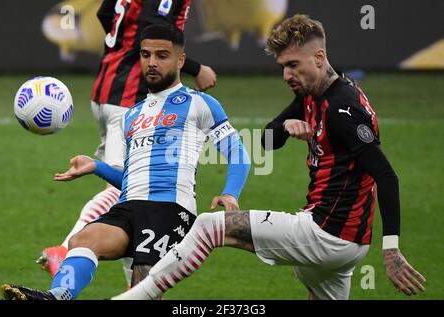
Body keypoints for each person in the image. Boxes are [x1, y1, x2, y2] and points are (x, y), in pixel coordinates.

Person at [105, 14, 426, 300]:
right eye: (283, 66)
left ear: (319, 57)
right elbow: (268, 140)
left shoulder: (342, 108)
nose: (287, 75)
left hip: (326, 233)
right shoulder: (314, 91)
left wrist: (391, 249)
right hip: (341, 241)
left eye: (293, 65)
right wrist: (286, 127)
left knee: (207, 226)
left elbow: (386, 175)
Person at [1, 23, 250, 300]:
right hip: (129, 206)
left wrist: (231, 192)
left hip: (169, 209)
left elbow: (238, 152)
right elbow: (132, 179)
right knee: (81, 240)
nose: (152, 63)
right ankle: (57, 295)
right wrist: (96, 167)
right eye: (146, 55)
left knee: (142, 285)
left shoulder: (201, 103)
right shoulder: (133, 114)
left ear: (181, 60)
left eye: (162, 55)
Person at [37, 0, 218, 285]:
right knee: (127, 186)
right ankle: (63, 248)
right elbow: (149, 28)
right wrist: (194, 67)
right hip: (129, 96)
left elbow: (104, 12)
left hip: (106, 88)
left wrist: (119, 50)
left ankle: (135, 287)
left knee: (134, 201)